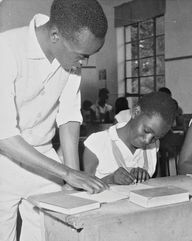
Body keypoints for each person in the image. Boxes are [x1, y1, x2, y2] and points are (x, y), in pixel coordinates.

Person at [0, 1, 109, 241]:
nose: (83, 63)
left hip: (44, 159)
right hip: (3, 159)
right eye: (82, 56)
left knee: (49, 233)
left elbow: (69, 118)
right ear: (55, 35)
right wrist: (67, 173)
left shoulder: (69, 61)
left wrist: (75, 180)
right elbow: (4, 136)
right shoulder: (5, 49)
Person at [83, 92, 178, 184]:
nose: (147, 140)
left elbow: (157, 184)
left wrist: (145, 178)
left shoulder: (153, 146)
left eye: (156, 137)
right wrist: (111, 179)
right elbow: (85, 187)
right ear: (136, 112)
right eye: (146, 131)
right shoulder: (97, 143)